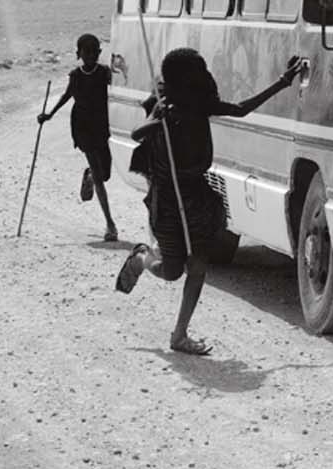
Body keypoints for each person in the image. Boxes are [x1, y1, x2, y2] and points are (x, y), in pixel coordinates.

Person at [115, 48, 304, 355]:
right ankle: (141, 258)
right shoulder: (163, 105)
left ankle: (179, 335)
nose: (202, 76)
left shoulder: (201, 105)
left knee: (199, 265)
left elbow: (242, 109)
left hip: (197, 196)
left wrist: (282, 82)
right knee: (172, 272)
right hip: (168, 199)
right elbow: (137, 134)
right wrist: (157, 119)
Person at [37, 33, 119, 242]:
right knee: (102, 179)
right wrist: (49, 114)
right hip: (83, 127)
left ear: (99, 53)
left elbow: (120, 86)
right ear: (78, 53)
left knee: (106, 174)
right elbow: (67, 96)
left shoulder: (104, 73)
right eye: (86, 51)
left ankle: (90, 176)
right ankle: (110, 224)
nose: (90, 55)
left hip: (101, 126)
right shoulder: (76, 75)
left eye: (94, 51)